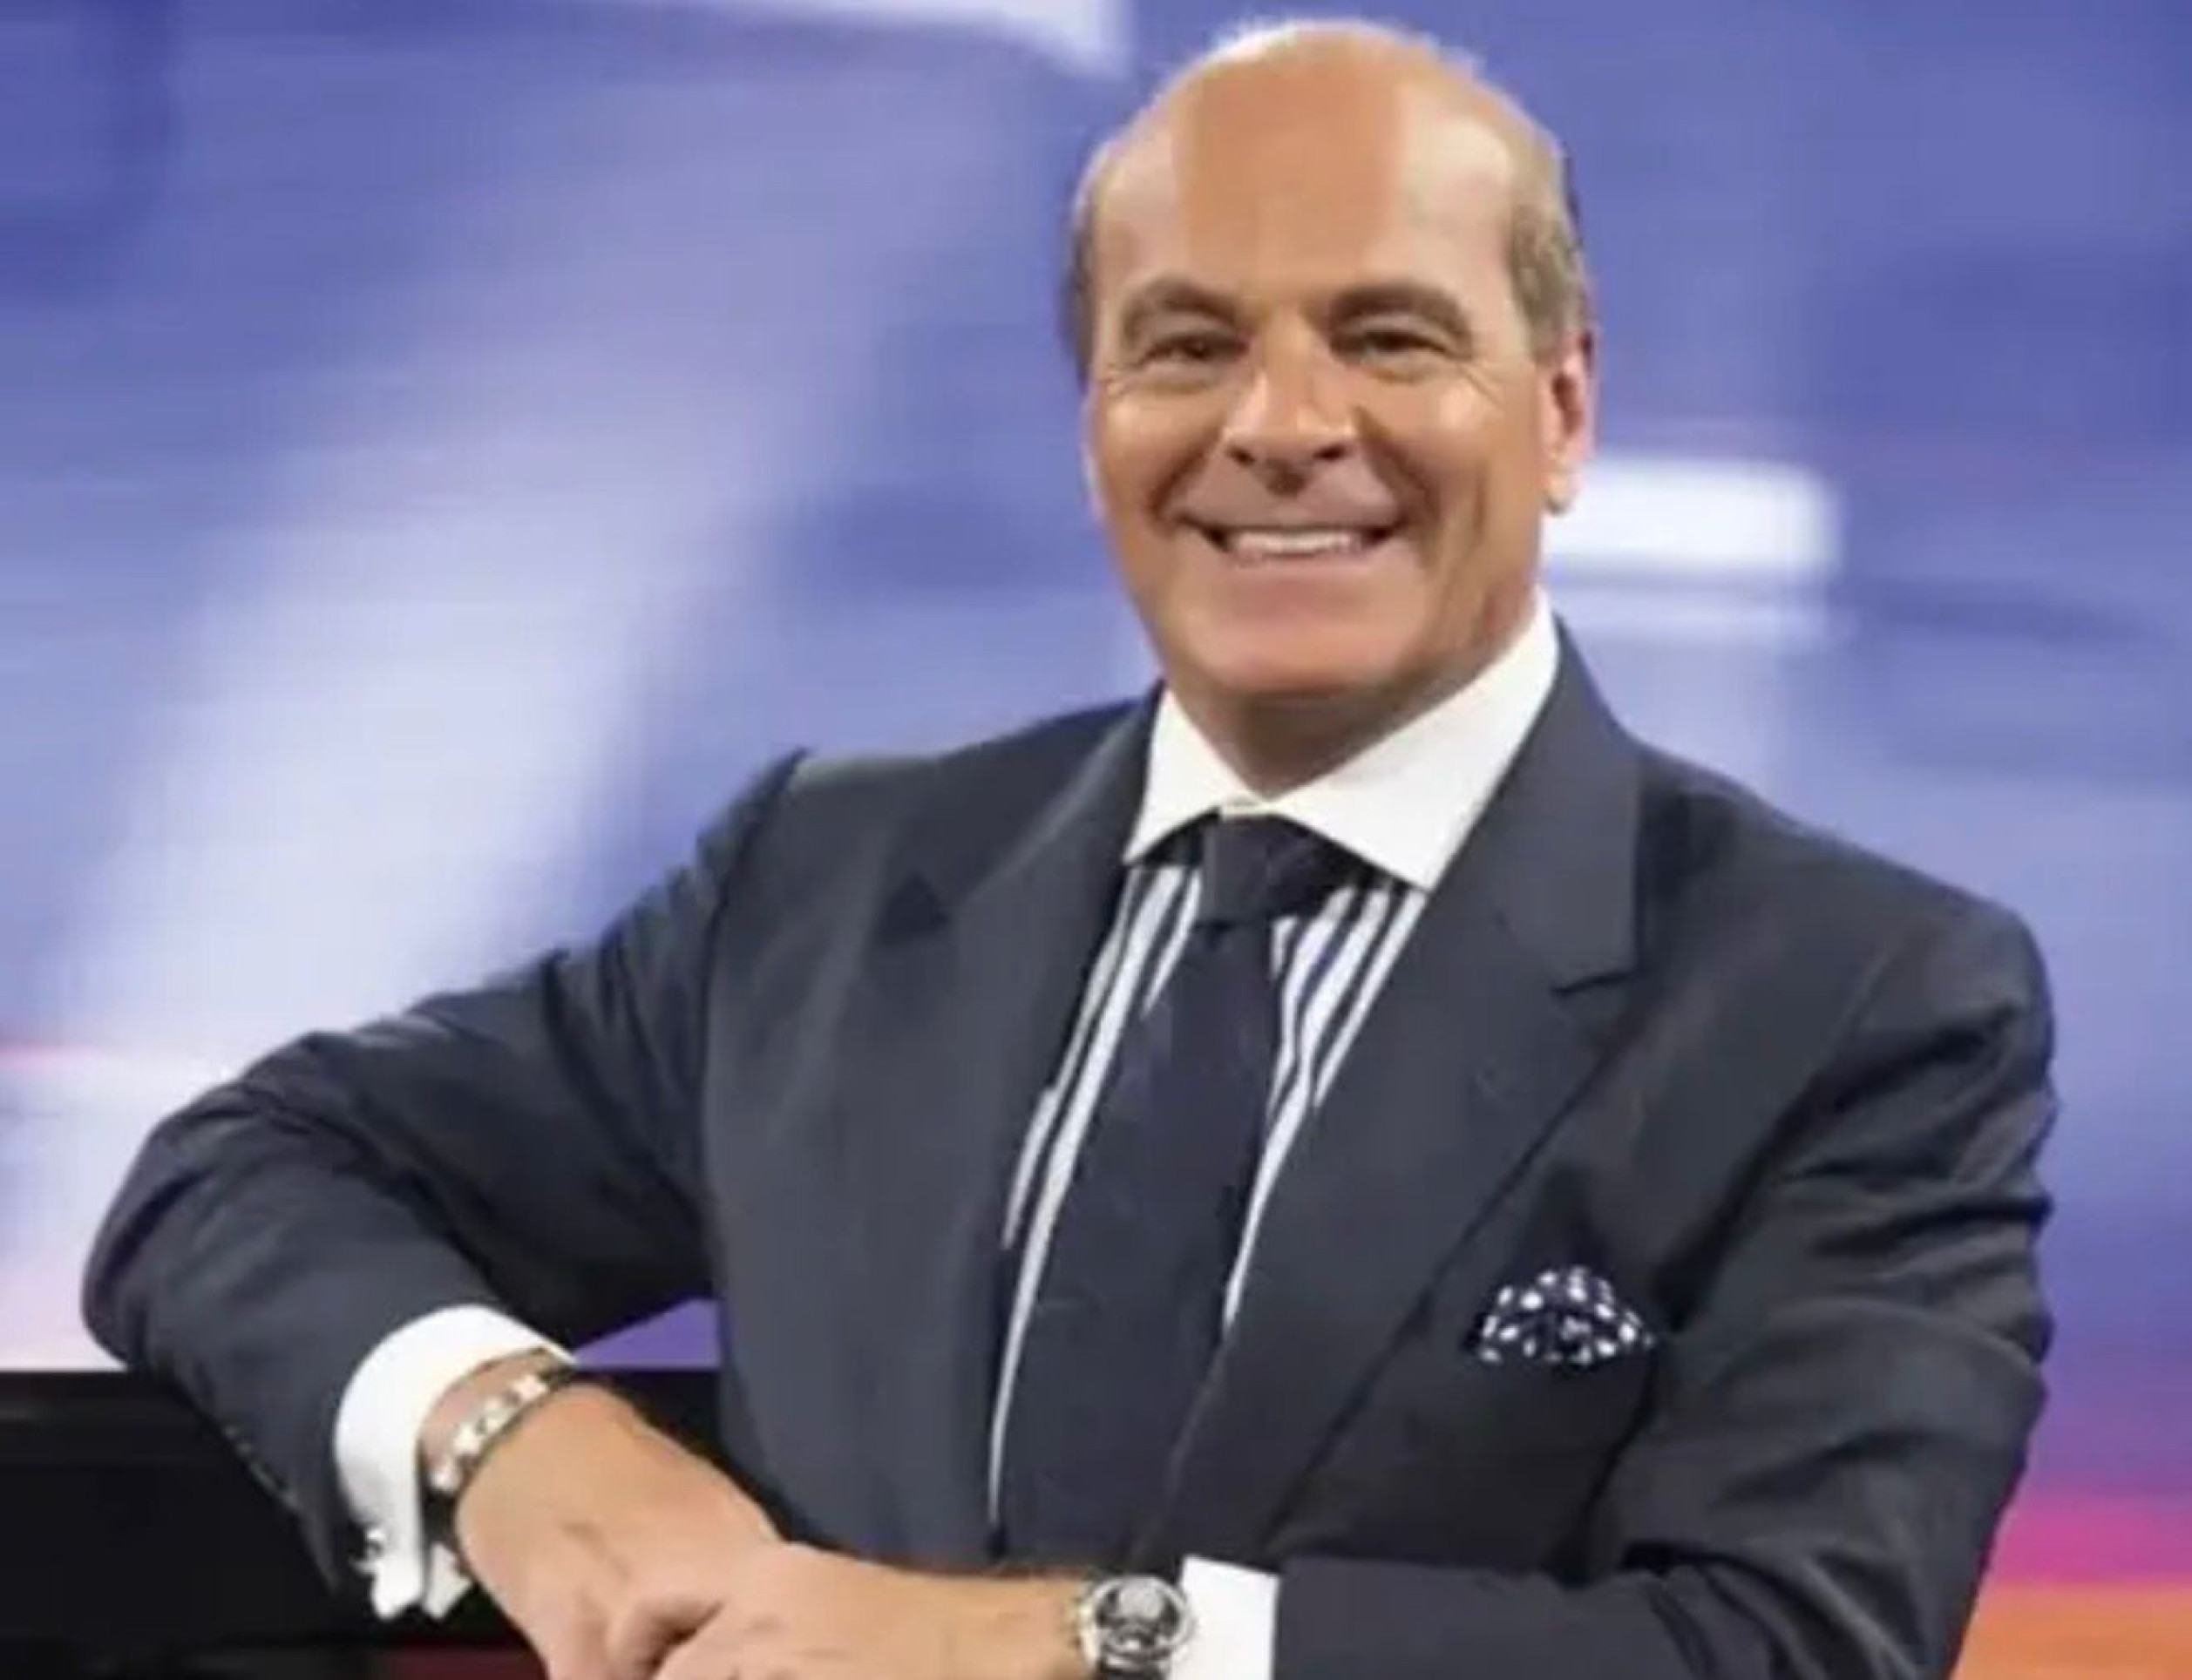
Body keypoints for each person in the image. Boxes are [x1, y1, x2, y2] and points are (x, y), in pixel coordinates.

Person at [83, 18, 2055, 1680]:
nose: (1280, 423)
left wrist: (1079, 1641)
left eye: (1386, 336)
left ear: (1558, 409)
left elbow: (1783, 1647)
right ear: (1094, 415)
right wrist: (515, 1440)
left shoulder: (1855, 999)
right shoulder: (828, 884)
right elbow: (239, 1177)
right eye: (1184, 345)